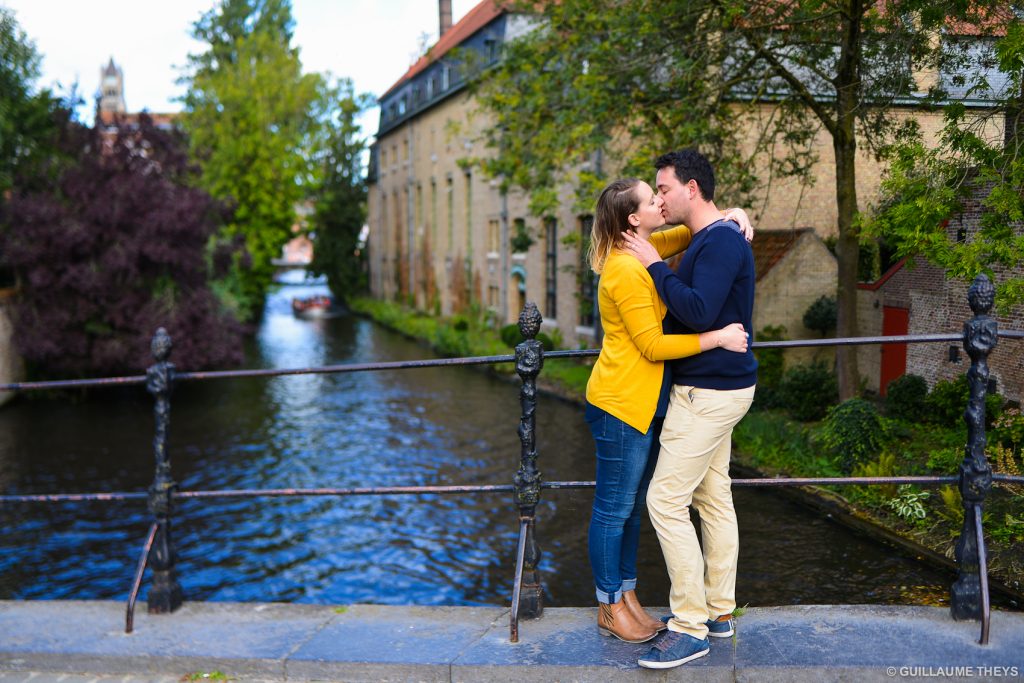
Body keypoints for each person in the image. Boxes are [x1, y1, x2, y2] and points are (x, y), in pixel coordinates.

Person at [584, 177, 751, 644]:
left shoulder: (644, 247)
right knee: (613, 510)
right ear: (634, 219)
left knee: (634, 508)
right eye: (651, 197)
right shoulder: (624, 270)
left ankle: (628, 597)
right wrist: (716, 337)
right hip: (621, 406)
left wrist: (728, 216)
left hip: (646, 405)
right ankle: (608, 604)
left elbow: (690, 232)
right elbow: (654, 345)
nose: (661, 201)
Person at [621, 149, 757, 669]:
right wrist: (738, 213)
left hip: (708, 394)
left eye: (664, 189)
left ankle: (689, 626)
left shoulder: (719, 241)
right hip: (717, 388)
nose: (659, 198)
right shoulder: (714, 235)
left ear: (692, 189)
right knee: (713, 497)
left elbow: (698, 310)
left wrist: (655, 266)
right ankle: (720, 613)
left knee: (664, 501)